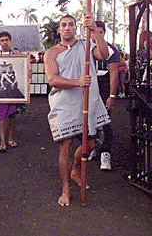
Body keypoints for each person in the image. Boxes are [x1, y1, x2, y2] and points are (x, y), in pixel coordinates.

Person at [44, 14, 110, 206]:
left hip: (87, 103)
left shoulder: (85, 47)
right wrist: (77, 82)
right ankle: (65, 188)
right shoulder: (52, 53)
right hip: (63, 105)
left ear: (76, 28)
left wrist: (95, 30)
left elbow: (104, 55)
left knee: (91, 143)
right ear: (59, 29)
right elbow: (53, 80)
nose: (67, 28)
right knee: (65, 147)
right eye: (63, 25)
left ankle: (75, 170)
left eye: (71, 25)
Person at [87, 21, 119, 171]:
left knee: (104, 119)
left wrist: (112, 95)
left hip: (104, 84)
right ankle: (91, 146)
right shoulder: (85, 48)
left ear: (104, 33)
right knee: (87, 119)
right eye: (93, 32)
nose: (95, 35)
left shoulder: (111, 51)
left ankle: (105, 152)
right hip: (89, 84)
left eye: (99, 32)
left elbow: (114, 75)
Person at [0, 31, 25, 152]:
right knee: (2, 116)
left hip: (13, 90)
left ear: (10, 41)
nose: (4, 42)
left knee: (12, 115)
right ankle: (2, 142)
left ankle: (10, 139)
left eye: (6, 40)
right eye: (2, 40)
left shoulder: (17, 56)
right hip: (1, 92)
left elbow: (22, 71)